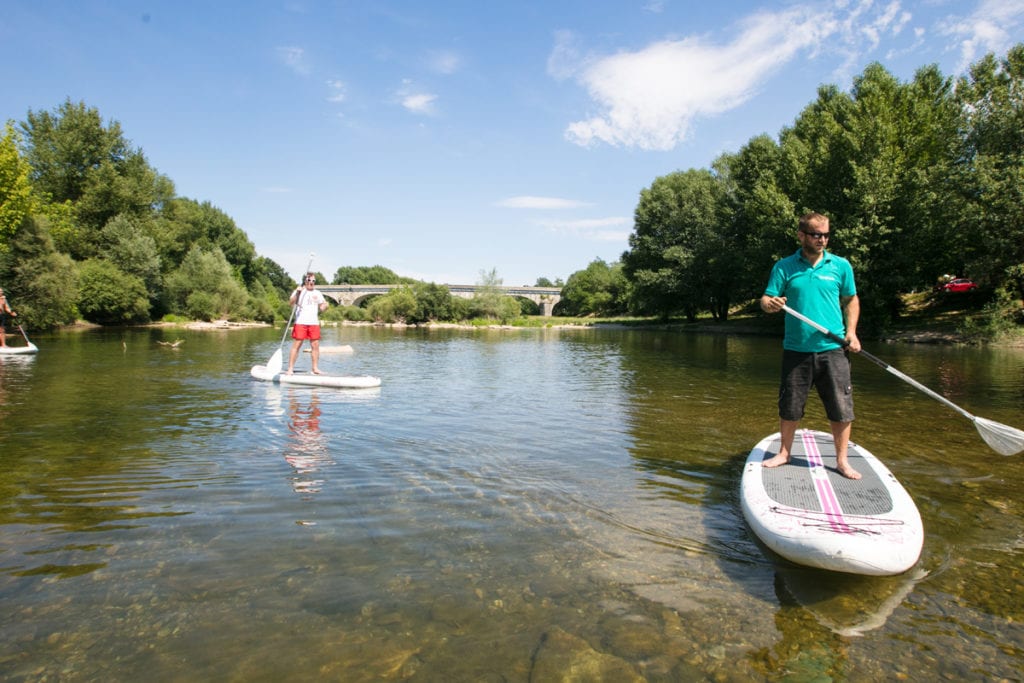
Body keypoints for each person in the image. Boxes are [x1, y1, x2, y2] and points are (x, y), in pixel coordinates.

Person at [759, 212, 863, 479]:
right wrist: (771, 304)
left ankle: (842, 461)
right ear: (801, 235)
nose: (822, 240)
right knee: (790, 406)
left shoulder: (840, 265)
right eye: (816, 235)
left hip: (833, 349)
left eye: (826, 235)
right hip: (797, 349)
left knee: (841, 408)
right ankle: (784, 453)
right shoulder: (784, 267)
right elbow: (766, 300)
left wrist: (852, 333)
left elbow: (851, 300)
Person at [286, 273, 329, 375]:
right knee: (297, 344)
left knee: (315, 345)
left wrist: (326, 305)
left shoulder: (317, 293)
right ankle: (290, 368)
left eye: (313, 281)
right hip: (301, 322)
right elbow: (291, 303)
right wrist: (297, 293)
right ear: (305, 281)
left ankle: (315, 368)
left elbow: (322, 307)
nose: (311, 282)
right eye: (309, 280)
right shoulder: (299, 291)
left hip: (314, 323)